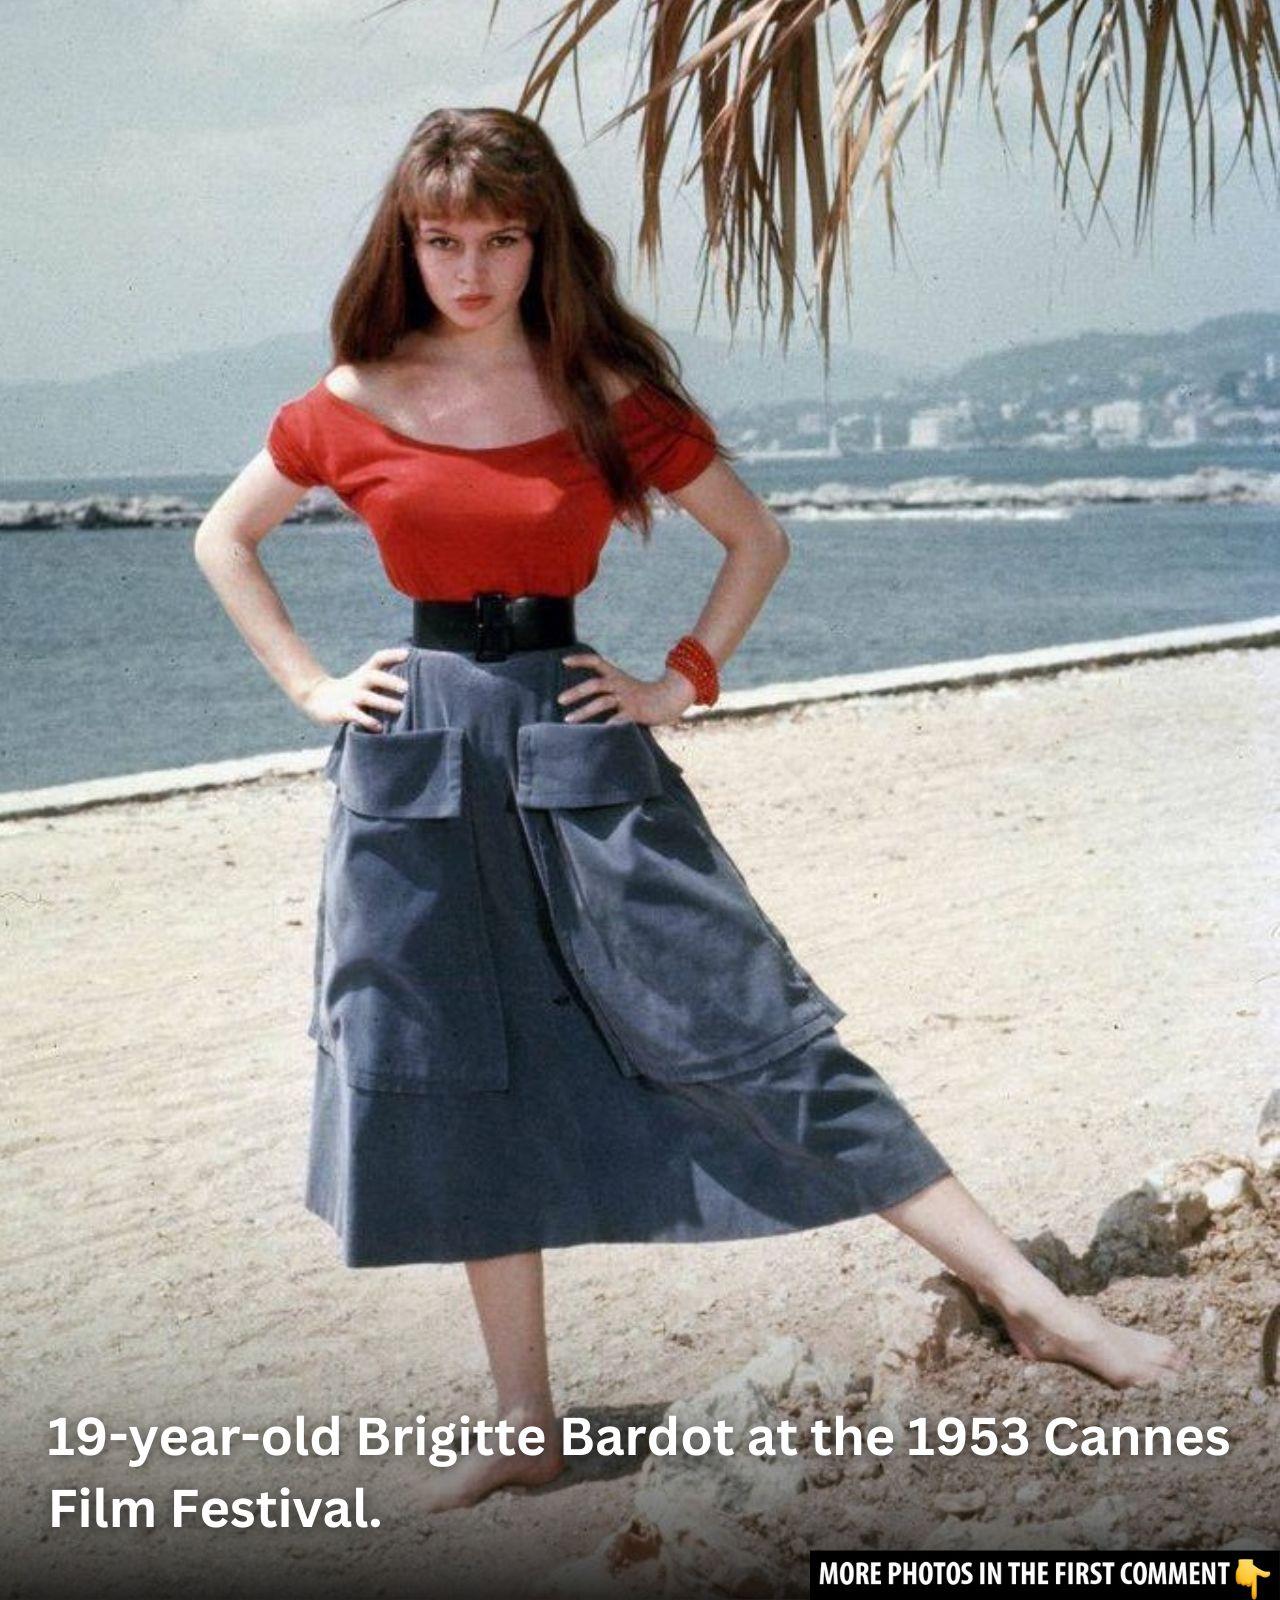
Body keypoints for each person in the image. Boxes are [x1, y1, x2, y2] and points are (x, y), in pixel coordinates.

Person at [193, 106, 1186, 1512]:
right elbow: (222, 538)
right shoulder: (350, 398)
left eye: (500, 239)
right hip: (417, 772)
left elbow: (754, 538)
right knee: (461, 1068)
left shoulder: (601, 392)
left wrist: (680, 681)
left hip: (581, 743)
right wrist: (310, 685)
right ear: (403, 246)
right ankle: (526, 1421)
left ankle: (1036, 1303)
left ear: (544, 244)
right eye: (442, 240)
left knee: (752, 1019)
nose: (470, 270)